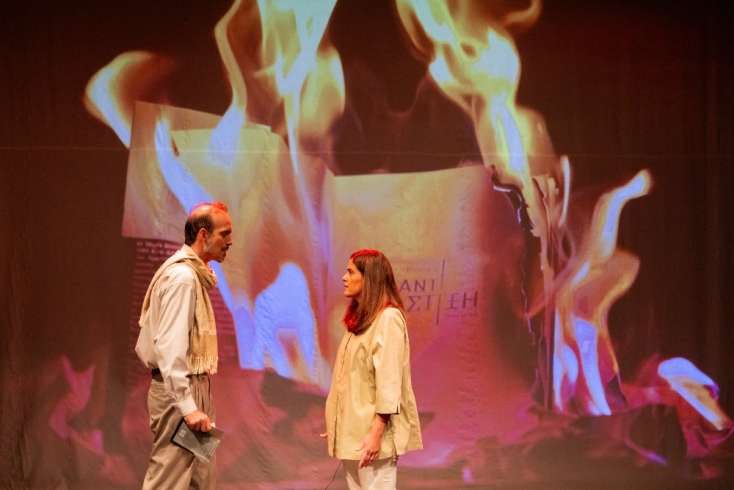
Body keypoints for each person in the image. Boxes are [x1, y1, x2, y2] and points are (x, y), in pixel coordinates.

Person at [135, 202, 233, 489]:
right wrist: (188, 406)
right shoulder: (183, 278)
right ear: (203, 235)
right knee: (169, 480)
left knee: (200, 479)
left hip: (194, 385)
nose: (230, 241)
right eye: (224, 233)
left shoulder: (193, 276)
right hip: (179, 390)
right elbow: (170, 347)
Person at [323, 249, 423, 490]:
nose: (344, 278)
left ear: (369, 279)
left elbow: (389, 382)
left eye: (351, 272)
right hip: (353, 433)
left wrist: (376, 433)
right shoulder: (360, 319)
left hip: (372, 435)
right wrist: (338, 421)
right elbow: (351, 379)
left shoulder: (388, 319)